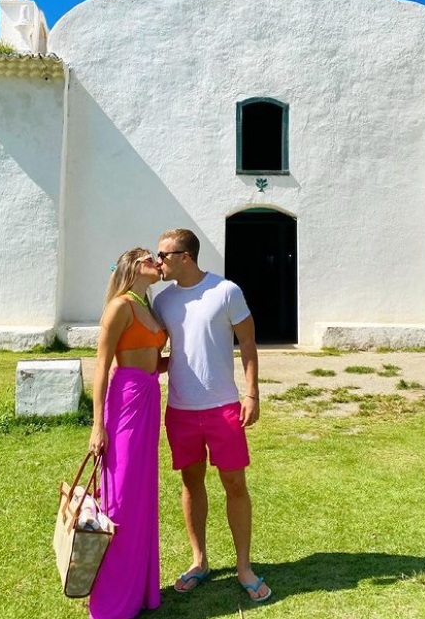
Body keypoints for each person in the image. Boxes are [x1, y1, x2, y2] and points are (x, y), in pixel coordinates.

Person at [152, 228, 272, 603]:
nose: (158, 262)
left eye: (163, 255)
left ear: (185, 256)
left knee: (235, 485)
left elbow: (248, 343)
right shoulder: (162, 301)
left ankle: (244, 567)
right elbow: (161, 351)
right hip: (180, 411)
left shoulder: (226, 291)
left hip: (223, 409)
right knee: (191, 484)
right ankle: (199, 561)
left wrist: (252, 393)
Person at [88, 248, 167, 619]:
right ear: (135, 266)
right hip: (125, 405)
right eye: (151, 257)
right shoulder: (120, 306)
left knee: (141, 494)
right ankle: (112, 598)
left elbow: (153, 358)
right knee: (120, 497)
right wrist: (97, 425)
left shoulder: (148, 306)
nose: (158, 261)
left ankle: (140, 590)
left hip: (149, 398)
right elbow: (101, 367)